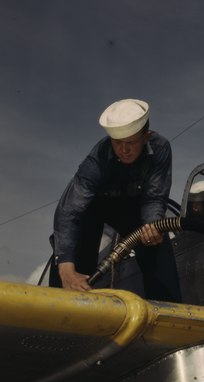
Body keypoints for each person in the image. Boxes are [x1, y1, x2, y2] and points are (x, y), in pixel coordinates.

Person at [49, 98, 181, 302]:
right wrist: (65, 267)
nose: (124, 150)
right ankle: (61, 307)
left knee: (156, 240)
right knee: (75, 251)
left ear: (147, 136)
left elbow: (154, 197)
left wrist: (151, 225)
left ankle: (167, 312)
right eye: (117, 143)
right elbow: (70, 211)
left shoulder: (161, 148)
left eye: (131, 143)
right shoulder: (96, 160)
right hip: (94, 208)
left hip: (134, 208)